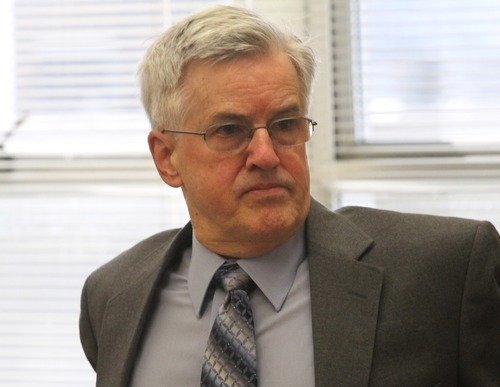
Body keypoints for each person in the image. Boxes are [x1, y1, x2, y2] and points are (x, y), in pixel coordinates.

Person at [79, 5, 500, 387]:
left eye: (285, 124)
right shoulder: (113, 295)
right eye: (229, 130)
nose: (266, 155)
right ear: (167, 157)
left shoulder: (445, 273)